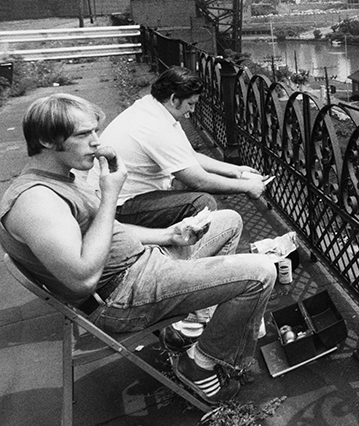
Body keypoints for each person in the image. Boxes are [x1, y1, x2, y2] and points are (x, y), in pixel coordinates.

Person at [0, 93, 277, 404]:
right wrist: (109, 195)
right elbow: (81, 279)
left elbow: (106, 231)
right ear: (46, 141)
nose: (96, 141)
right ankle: (200, 364)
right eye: (83, 134)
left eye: (95, 131)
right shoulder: (36, 201)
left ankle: (190, 329)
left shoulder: (60, 177)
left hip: (143, 267)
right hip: (123, 297)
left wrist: (168, 235)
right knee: (260, 273)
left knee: (226, 220)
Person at [89, 66, 269, 229]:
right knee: (201, 203)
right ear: (174, 99)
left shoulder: (153, 108)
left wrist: (235, 170)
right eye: (190, 104)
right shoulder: (156, 127)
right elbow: (199, 180)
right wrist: (247, 187)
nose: (191, 111)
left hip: (117, 195)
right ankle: (190, 258)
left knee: (183, 182)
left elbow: (188, 156)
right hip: (118, 206)